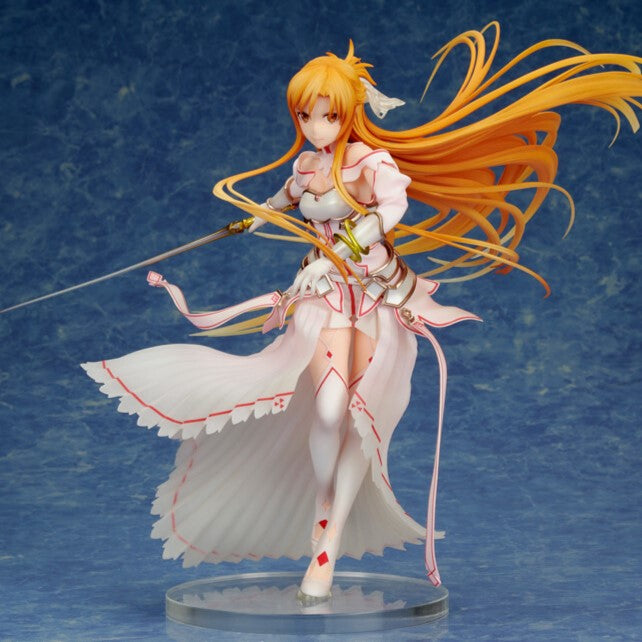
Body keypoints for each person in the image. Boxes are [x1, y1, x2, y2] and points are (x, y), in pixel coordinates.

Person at [83, 24, 642, 602]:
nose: (315, 126)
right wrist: (248, 219)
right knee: (327, 410)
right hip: (322, 298)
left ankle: (329, 535)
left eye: (327, 116)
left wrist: (347, 247)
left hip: (372, 296)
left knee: (355, 412)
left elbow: (393, 208)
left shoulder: (370, 162)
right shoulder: (306, 167)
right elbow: (282, 202)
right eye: (305, 116)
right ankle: (323, 499)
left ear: (349, 113)